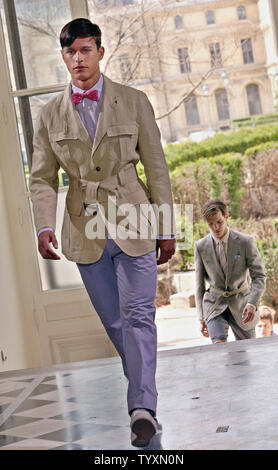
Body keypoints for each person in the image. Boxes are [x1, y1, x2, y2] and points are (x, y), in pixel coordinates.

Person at [29, 18, 175, 447]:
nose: (78, 59)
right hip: (83, 225)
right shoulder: (49, 114)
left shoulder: (134, 101)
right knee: (114, 322)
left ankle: (141, 408)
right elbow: (40, 178)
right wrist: (42, 224)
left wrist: (166, 228)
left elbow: (157, 167)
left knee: (138, 316)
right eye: (71, 52)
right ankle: (143, 397)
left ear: (100, 52)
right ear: (64, 57)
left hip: (134, 218)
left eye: (86, 49)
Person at [194, 198, 266, 344]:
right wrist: (202, 317)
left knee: (245, 353)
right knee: (220, 349)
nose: (216, 228)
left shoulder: (245, 242)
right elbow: (199, 285)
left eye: (219, 222)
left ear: (226, 217)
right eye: (211, 224)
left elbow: (259, 276)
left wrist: (252, 303)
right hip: (214, 304)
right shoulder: (200, 246)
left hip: (243, 304)